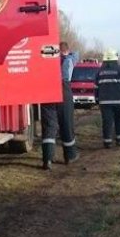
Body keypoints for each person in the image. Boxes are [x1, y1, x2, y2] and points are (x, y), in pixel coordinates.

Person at [41, 42, 80, 170]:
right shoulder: (68, 60)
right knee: (66, 124)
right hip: (65, 93)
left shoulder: (46, 61)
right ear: (66, 50)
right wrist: (66, 53)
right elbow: (76, 55)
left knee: (49, 126)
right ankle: (70, 156)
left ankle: (48, 159)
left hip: (47, 93)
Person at [94, 49, 120, 148]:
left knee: (107, 121)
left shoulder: (99, 71)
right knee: (119, 120)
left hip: (104, 102)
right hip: (118, 101)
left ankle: (107, 142)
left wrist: (97, 99)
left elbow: (96, 87)